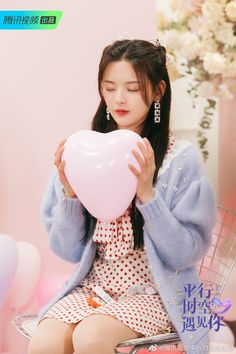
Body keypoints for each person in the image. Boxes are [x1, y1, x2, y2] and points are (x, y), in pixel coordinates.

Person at [28, 39, 216, 354]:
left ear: (157, 91)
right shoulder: (84, 152)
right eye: (110, 87)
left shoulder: (179, 160)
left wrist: (148, 194)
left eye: (132, 88)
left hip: (155, 293)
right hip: (94, 289)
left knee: (90, 337)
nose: (118, 99)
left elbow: (184, 254)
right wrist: (71, 195)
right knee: (45, 340)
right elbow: (67, 251)